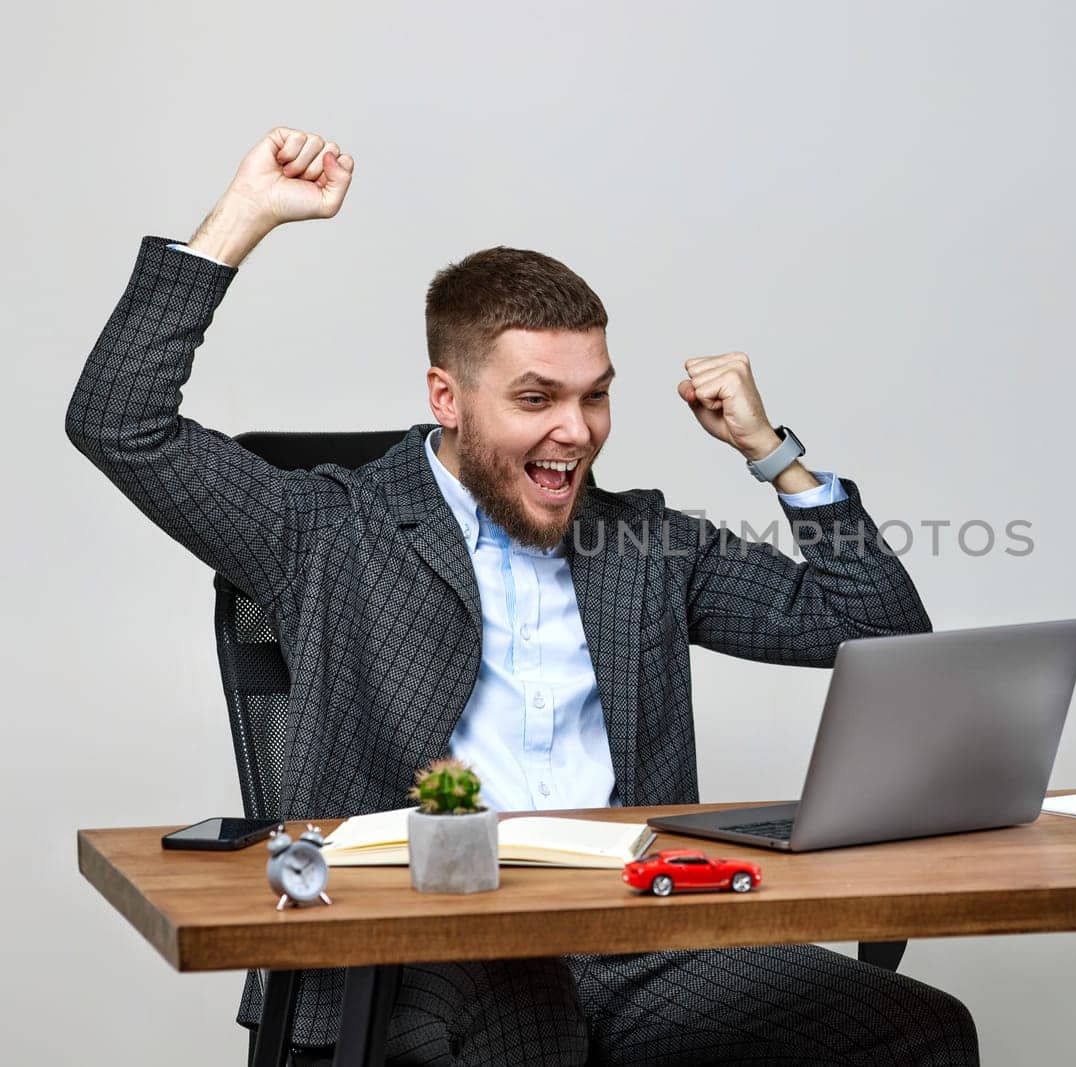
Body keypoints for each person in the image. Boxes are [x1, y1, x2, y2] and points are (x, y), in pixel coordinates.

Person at [66, 127, 979, 1066]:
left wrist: (772, 453)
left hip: (633, 938)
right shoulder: (326, 530)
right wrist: (243, 218)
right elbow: (117, 420)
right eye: (537, 398)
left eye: (595, 397)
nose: (576, 432)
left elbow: (877, 628)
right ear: (447, 397)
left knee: (918, 1030)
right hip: (424, 947)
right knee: (530, 1026)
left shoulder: (644, 542)